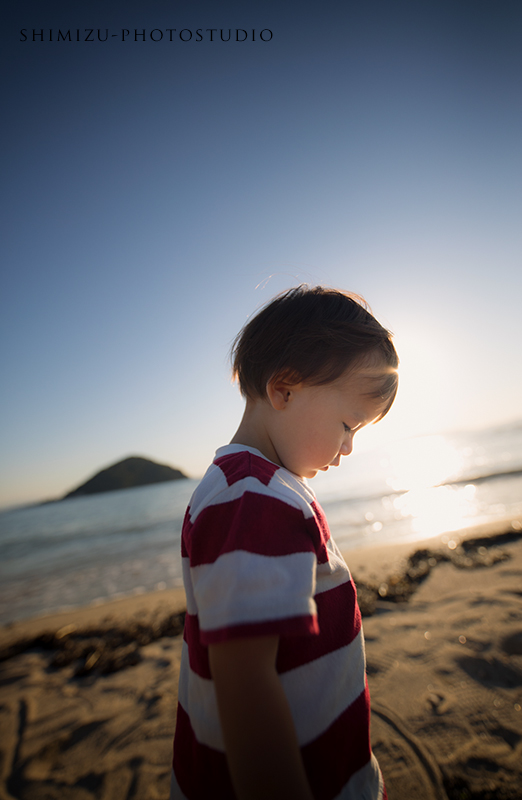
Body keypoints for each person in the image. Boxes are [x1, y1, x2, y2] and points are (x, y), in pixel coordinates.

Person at [170, 285, 398, 800]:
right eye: (347, 425)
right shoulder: (254, 499)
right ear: (284, 390)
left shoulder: (252, 486)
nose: (348, 447)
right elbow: (246, 686)